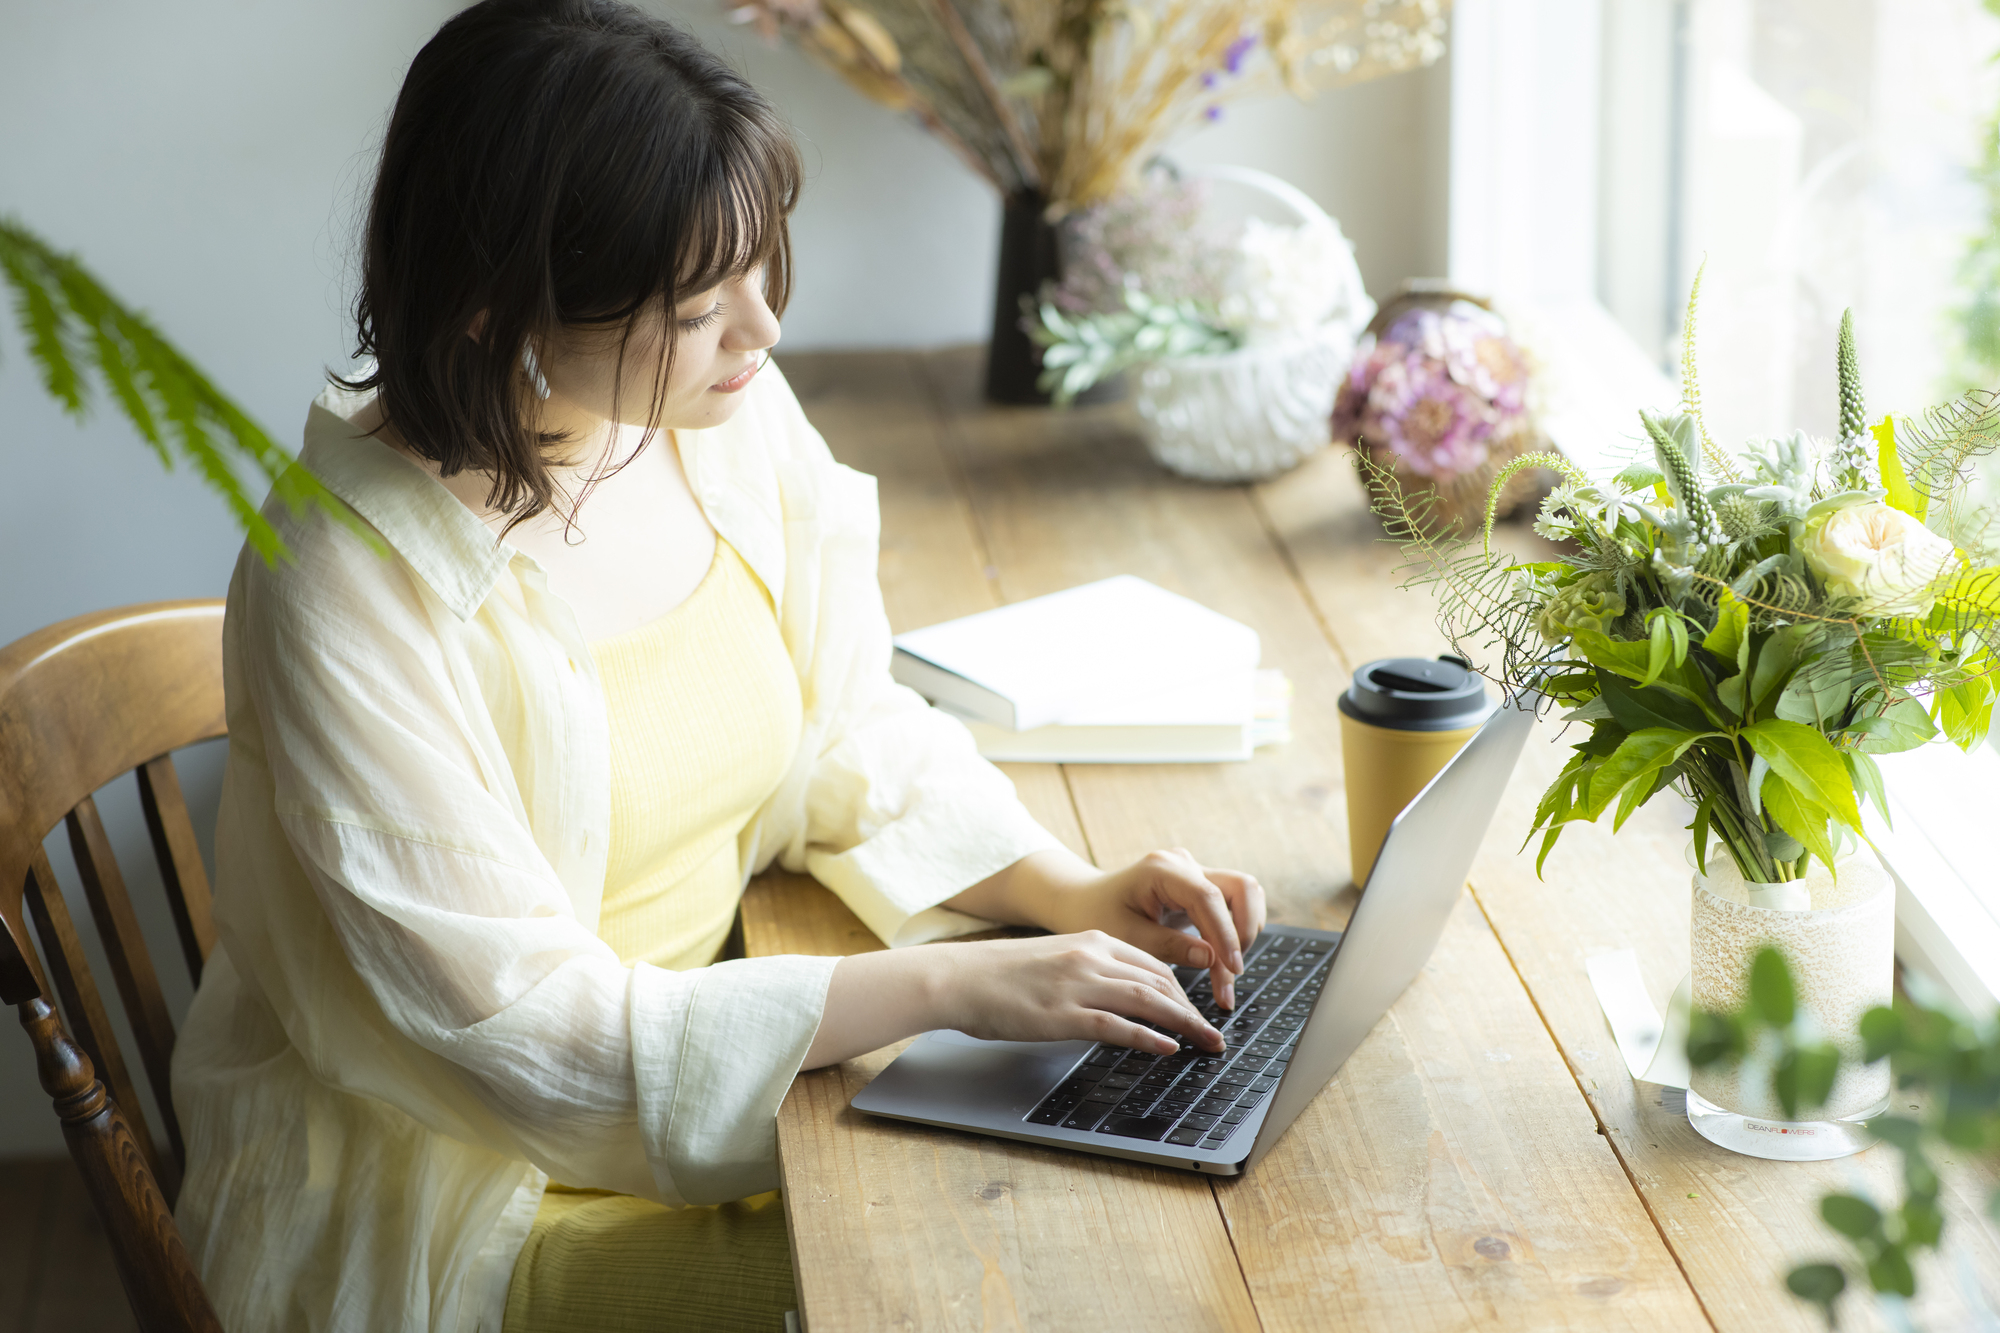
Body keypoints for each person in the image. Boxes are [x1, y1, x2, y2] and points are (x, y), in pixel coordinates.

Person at [169, 2, 1265, 1329]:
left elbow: (844, 727)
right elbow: (525, 1042)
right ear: (499, 305)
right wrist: (949, 987)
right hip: (480, 1194)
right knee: (1008, 1271)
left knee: (1133, 1176)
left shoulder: (704, 417)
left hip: (746, 1054)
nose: (762, 332)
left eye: (761, 265)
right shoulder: (350, 582)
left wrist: (1069, 889)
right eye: (698, 304)